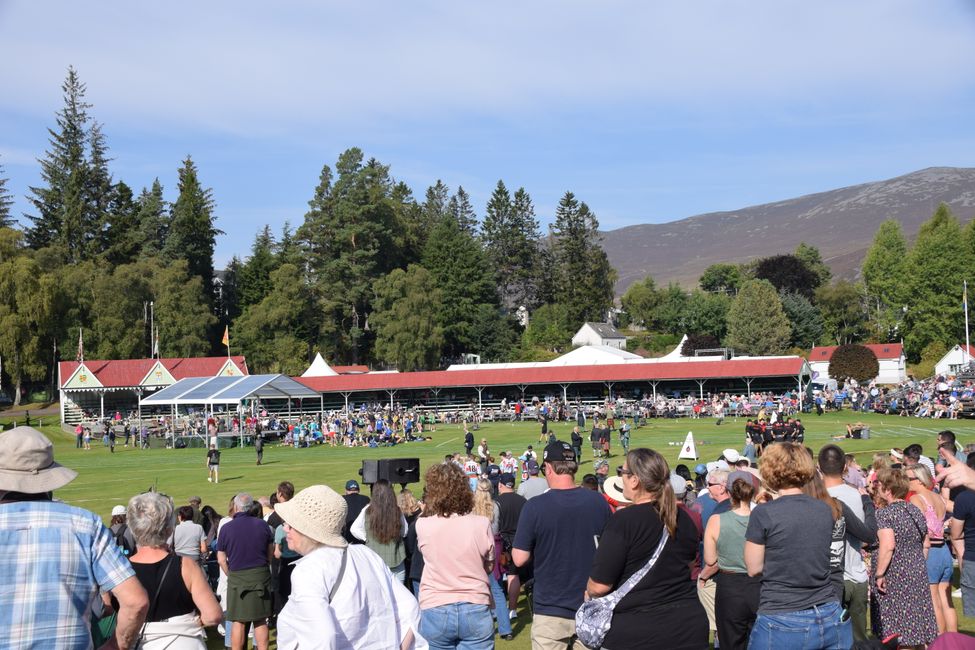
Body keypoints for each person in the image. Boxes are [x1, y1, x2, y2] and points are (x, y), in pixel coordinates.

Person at [0, 426, 149, 648]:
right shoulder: (85, 524)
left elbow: (136, 602)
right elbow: (135, 601)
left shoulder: (86, 525)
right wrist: (116, 646)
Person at [274, 485, 423, 649]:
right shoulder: (366, 554)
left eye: (291, 524)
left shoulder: (309, 570)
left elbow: (322, 639)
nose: (285, 528)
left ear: (307, 530)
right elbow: (410, 609)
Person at [588, 448, 708, 649]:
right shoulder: (683, 517)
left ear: (634, 480)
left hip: (640, 629)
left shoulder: (624, 521)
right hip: (688, 624)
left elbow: (599, 586)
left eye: (622, 472)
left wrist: (588, 589)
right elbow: (686, 567)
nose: (621, 477)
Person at [744, 443, 851, 649]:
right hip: (829, 611)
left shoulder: (764, 513)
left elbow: (753, 567)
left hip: (783, 615)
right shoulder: (823, 508)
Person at [513, 440, 611, 649]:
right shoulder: (598, 501)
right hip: (590, 604)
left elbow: (519, 558)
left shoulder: (535, 507)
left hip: (551, 608)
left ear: (548, 468)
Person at [126, 492, 223, 648]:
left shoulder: (122, 569)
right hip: (182, 641)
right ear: (169, 529)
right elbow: (212, 615)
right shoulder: (186, 565)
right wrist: (193, 621)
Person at [417, 462, 495, 649]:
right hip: (473, 605)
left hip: (437, 606)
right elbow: (489, 566)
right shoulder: (481, 524)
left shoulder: (423, 525)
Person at [872, 467, 938, 646]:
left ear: (887, 489)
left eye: (879, 485)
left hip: (895, 574)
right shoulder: (915, 511)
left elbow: (887, 546)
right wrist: (916, 563)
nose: (877, 488)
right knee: (917, 622)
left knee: (899, 628)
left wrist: (879, 574)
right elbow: (926, 543)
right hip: (917, 570)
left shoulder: (885, 514)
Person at [701, 471, 761, 650]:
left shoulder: (717, 520)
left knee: (730, 642)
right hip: (758, 584)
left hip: (730, 586)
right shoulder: (763, 518)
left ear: (728, 491)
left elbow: (710, 560)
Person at [819, 444, 871, 642]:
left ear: (819, 467)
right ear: (844, 468)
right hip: (855, 574)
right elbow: (867, 535)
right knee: (858, 638)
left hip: (830, 576)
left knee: (829, 639)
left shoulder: (814, 498)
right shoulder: (857, 495)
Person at [217, 492, 274, 650]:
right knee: (260, 619)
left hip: (237, 576)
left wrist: (230, 574)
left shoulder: (227, 528)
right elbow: (270, 551)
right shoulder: (262, 525)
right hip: (260, 574)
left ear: (235, 507)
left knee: (238, 620)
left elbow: (221, 559)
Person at [908, 463, 957, 634]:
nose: (907, 482)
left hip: (931, 552)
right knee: (946, 600)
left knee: (933, 600)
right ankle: (952, 642)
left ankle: (939, 642)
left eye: (909, 479)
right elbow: (958, 508)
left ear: (920, 480)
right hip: (944, 551)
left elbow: (916, 529)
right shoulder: (938, 497)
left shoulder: (916, 499)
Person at [472, 478, 513, 640]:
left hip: (478, 546)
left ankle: (483, 629)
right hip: (494, 545)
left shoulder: (472, 508)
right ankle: (505, 629)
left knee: (479, 589)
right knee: (497, 589)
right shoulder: (496, 506)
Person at [351, 479, 409, 581]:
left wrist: (367, 538)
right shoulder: (397, 510)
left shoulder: (368, 510)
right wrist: (368, 537)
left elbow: (354, 529)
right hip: (393, 562)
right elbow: (404, 532)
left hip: (379, 562)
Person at [496, 473, 527, 618]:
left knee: (500, 577)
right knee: (513, 575)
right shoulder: (522, 500)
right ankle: (512, 609)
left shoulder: (496, 501)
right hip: (519, 541)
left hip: (500, 542)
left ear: (500, 485)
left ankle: (501, 609)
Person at [342, 479, 370, 544]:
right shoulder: (366, 499)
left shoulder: (342, 500)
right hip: (362, 538)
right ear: (359, 490)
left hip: (346, 539)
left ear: (346, 490)